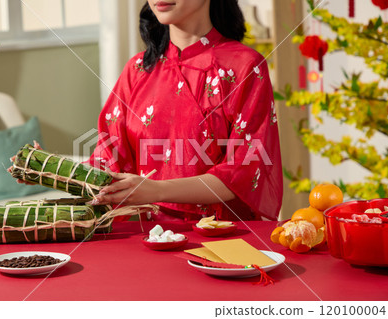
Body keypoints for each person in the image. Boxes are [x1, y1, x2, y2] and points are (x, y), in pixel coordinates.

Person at [85, 0, 283, 221]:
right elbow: (106, 159)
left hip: (223, 240)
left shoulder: (244, 66)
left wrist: (157, 190)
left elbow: (243, 171)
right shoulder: (137, 69)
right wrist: (45, 167)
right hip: (151, 240)